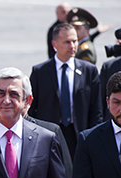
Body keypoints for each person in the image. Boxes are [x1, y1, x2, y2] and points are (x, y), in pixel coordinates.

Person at [30, 21, 103, 158]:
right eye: (67, 42)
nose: (73, 46)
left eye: (75, 41)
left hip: (78, 136)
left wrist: (92, 137)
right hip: (48, 135)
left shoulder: (89, 71)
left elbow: (96, 110)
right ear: (54, 45)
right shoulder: (40, 72)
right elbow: (31, 108)